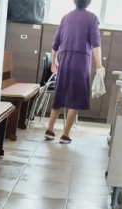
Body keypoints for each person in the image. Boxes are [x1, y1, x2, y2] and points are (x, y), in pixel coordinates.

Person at [45, 0, 103, 144]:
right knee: (76, 97)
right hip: (81, 61)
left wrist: (54, 60)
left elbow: (55, 43)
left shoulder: (66, 17)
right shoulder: (92, 18)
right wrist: (99, 64)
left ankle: (50, 129)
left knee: (60, 94)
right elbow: (96, 43)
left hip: (64, 59)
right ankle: (65, 134)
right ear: (89, 2)